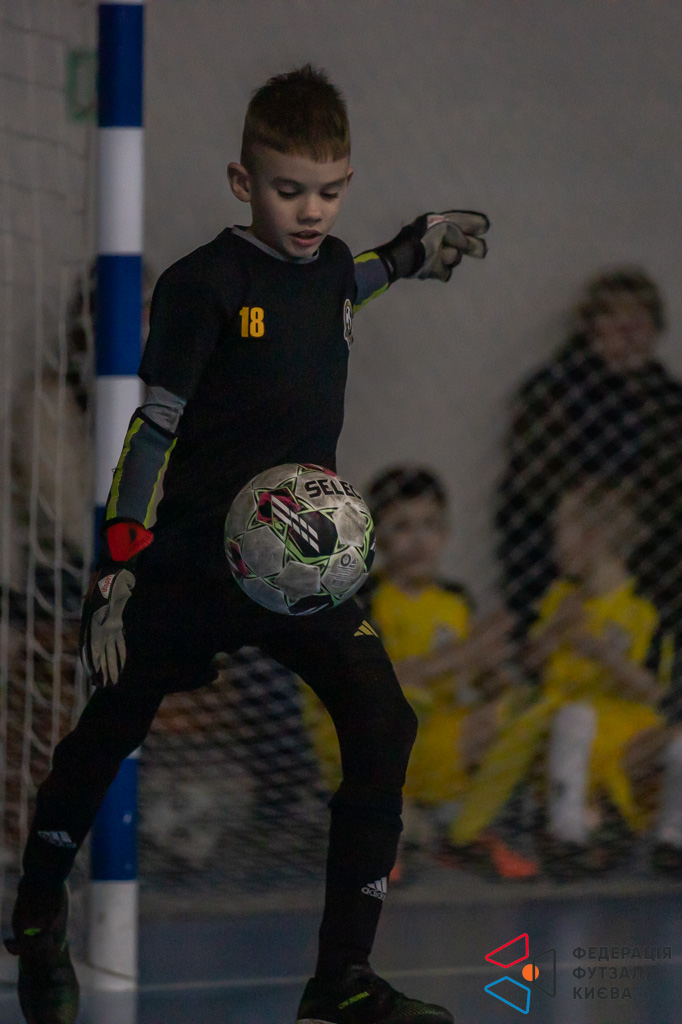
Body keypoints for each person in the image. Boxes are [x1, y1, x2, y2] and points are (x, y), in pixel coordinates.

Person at [4, 66, 490, 1024]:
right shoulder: (202, 285)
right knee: (109, 727)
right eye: (288, 189)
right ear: (243, 182)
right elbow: (152, 433)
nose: (310, 211)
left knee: (385, 723)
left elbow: (341, 287)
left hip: (301, 564)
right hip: (192, 563)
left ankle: (340, 982)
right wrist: (116, 567)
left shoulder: (332, 259)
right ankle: (35, 909)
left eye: (329, 190)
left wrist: (407, 253)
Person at [303, 466, 538, 881]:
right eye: (402, 527)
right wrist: (466, 653)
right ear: (376, 538)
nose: (418, 540)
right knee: (398, 702)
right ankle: (388, 832)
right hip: (374, 748)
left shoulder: (457, 600)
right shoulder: (366, 598)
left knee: (524, 711)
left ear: (446, 534)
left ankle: (466, 831)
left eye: (430, 525)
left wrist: (495, 673)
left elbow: (478, 674)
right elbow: (373, 680)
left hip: (440, 739)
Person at [451, 480, 680, 880]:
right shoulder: (560, 598)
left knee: (676, 741)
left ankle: (672, 840)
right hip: (566, 732)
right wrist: (554, 632)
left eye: (561, 532)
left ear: (594, 538)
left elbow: (653, 691)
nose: (554, 545)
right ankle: (567, 834)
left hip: (625, 734)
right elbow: (532, 664)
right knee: (574, 716)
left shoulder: (643, 610)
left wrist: (599, 650)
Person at [496, 270, 682, 682]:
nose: (629, 329)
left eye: (641, 318)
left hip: (649, 555)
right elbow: (533, 477)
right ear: (589, 325)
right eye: (615, 315)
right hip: (560, 547)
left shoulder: (667, 399)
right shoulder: (556, 388)